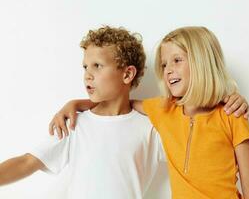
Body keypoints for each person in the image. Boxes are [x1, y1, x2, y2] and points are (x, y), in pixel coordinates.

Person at [50, 26, 249, 198]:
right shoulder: (165, 111)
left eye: (177, 60)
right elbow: (123, 103)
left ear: (202, 62)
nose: (168, 69)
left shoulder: (232, 115)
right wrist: (76, 104)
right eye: (164, 64)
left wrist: (230, 96)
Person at [0, 26, 168, 199]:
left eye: (97, 66)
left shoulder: (150, 129)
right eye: (85, 67)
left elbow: (187, 140)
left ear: (127, 74)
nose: (87, 75)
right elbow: (27, 162)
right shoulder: (73, 124)